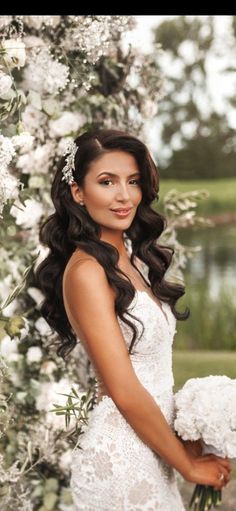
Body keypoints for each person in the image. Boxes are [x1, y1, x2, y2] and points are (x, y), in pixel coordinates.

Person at [36, 129, 232, 510]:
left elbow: (153, 372)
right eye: (106, 182)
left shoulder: (130, 258)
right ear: (78, 192)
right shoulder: (87, 272)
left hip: (153, 447)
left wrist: (191, 430)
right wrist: (188, 466)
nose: (124, 196)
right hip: (121, 458)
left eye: (133, 181)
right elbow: (123, 388)